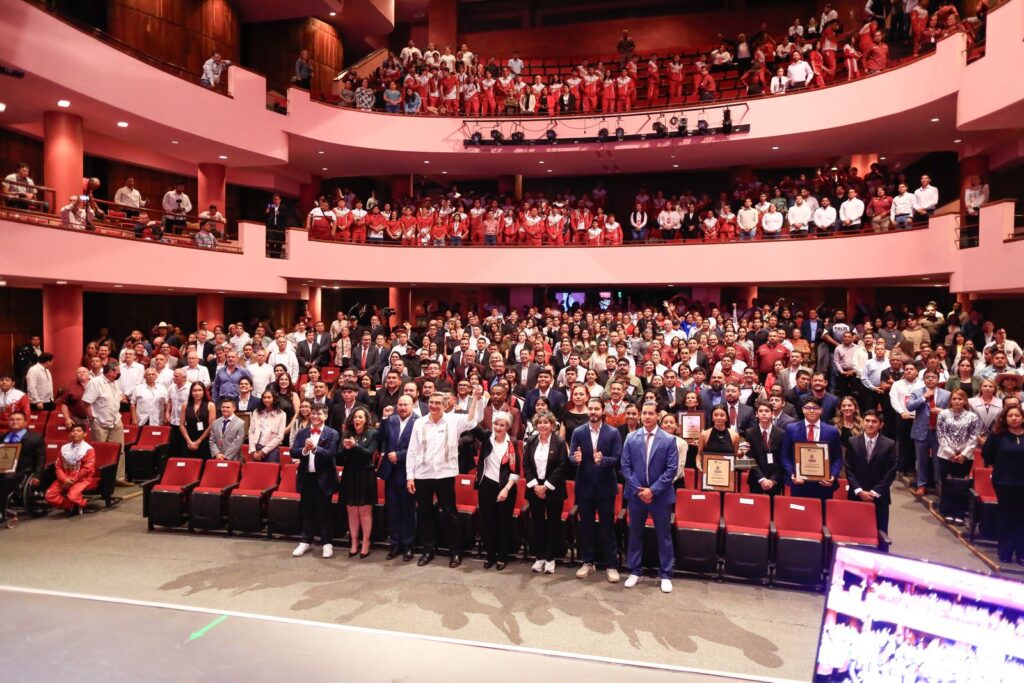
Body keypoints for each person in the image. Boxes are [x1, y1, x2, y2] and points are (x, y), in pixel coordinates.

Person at [406, 385, 485, 568]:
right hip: (423, 474)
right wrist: (410, 476)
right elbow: (412, 451)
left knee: (450, 514)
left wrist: (476, 398)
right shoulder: (419, 422)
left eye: (438, 403)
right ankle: (428, 550)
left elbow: (475, 419)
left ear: (446, 404)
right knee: (425, 513)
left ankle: (455, 552)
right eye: (431, 402)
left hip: (445, 474)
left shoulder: (454, 420)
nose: (433, 406)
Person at [621, 401, 678, 593]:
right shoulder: (630, 437)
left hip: (660, 497)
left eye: (650, 413)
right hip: (636, 496)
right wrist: (639, 490)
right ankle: (635, 571)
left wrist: (652, 491)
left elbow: (671, 470)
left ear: (657, 416)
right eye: (643, 413)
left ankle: (666, 574)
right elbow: (625, 467)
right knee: (635, 534)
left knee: (664, 536)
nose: (646, 416)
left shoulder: (669, 439)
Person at [570, 397, 623, 583]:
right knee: (586, 527)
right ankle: (588, 562)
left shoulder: (613, 433)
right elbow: (571, 456)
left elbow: (618, 458)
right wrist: (575, 459)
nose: (593, 412)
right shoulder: (578, 431)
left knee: (607, 528)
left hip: (605, 487)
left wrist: (604, 461)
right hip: (584, 487)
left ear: (603, 411)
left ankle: (611, 565)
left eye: (596, 409)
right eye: (590, 409)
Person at [469, 410, 520, 569]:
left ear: (508, 427)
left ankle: (502, 556)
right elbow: (470, 423)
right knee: (487, 522)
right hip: (486, 485)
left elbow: (516, 471)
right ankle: (490, 555)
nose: (498, 427)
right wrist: (476, 400)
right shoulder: (486, 439)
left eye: (502, 425)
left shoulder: (512, 443)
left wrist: (506, 489)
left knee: (504, 523)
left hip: (506, 487)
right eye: (496, 424)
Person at [290, 403, 340, 558]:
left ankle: (327, 542)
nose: (315, 416)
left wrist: (315, 449)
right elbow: (293, 450)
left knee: (324, 512)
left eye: (319, 414)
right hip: (306, 477)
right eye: (313, 413)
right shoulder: (303, 432)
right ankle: (306, 540)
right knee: (307, 511)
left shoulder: (332, 433)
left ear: (325, 416)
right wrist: (304, 450)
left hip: (324, 478)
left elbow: (332, 453)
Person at [523, 411, 568, 574]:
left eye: (546, 422)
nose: (543, 425)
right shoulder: (531, 441)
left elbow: (561, 466)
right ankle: (539, 557)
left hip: (553, 489)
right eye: (540, 422)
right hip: (535, 488)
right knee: (538, 524)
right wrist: (536, 485)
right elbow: (526, 464)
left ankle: (550, 558)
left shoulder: (560, 442)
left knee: (553, 524)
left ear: (552, 424)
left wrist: (546, 486)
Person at [981, 406, 1024, 564]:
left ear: (1022, 418)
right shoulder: (998, 436)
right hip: (1004, 482)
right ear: (1005, 419)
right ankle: (1005, 551)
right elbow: (987, 453)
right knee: (1006, 516)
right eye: (1010, 416)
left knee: (1022, 518)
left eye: (1017, 415)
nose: (1014, 418)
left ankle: (1021, 553)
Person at [781, 396, 843, 503]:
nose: (812, 410)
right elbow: (784, 456)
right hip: (799, 484)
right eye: (808, 408)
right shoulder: (791, 429)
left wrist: (832, 475)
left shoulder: (832, 431)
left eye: (815, 408)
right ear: (803, 410)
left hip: (823, 485)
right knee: (800, 515)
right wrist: (792, 473)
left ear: (821, 410)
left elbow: (838, 458)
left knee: (822, 517)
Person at [845, 410, 899, 532]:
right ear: (863, 422)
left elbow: (891, 472)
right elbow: (849, 469)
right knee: (855, 530)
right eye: (867, 421)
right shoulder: (852, 441)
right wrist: (859, 491)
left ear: (881, 424)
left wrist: (873, 493)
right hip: (857, 495)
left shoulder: (889, 444)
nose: (870, 424)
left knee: (879, 531)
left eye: (874, 421)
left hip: (879, 497)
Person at [379, 395, 418, 560]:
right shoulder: (391, 419)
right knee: (393, 510)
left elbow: (419, 448)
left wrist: (400, 455)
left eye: (405, 405)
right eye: (400, 405)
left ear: (412, 405)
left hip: (408, 473)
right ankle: (395, 544)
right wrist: (383, 419)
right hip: (391, 472)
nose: (402, 408)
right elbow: (381, 438)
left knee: (408, 511)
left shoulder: (419, 421)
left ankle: (408, 546)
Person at [935, 389, 980, 524]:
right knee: (948, 483)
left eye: (960, 399)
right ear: (951, 401)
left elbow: (973, 437)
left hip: (965, 457)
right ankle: (947, 510)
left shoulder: (972, 416)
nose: (957, 401)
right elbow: (941, 435)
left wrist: (964, 454)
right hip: (946, 455)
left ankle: (959, 512)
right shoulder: (943, 414)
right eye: (954, 399)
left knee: (961, 485)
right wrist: (951, 453)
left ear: (965, 401)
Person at [339, 406, 378, 558]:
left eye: (360, 417)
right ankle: (354, 542)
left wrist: (356, 446)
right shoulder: (347, 433)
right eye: (355, 417)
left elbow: (369, 454)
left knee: (365, 511)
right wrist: (345, 448)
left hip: (365, 474)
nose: (357, 420)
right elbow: (339, 454)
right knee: (352, 511)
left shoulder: (373, 434)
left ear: (366, 419)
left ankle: (366, 542)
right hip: (349, 474)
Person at [81, 363, 127, 483]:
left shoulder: (115, 383)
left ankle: (119, 478)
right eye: (117, 371)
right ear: (110, 372)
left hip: (116, 420)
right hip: (100, 422)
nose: (119, 373)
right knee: (100, 451)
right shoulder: (95, 383)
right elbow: (86, 403)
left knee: (120, 450)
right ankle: (99, 479)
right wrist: (92, 418)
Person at [907, 369, 950, 495]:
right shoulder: (917, 392)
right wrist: (923, 398)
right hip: (921, 431)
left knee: (939, 461)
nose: (931, 379)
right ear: (924, 380)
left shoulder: (946, 394)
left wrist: (942, 411)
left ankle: (938, 484)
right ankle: (921, 484)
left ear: (938, 379)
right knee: (921, 460)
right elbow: (909, 406)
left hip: (939, 432)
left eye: (933, 377)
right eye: (928, 377)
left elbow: (952, 412)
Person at [0, 411, 46, 523]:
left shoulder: (35, 438)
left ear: (25, 422)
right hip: (2, 468)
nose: (15, 422)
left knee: (6, 479)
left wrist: (37, 476)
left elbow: (41, 459)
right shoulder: (2, 437)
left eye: (18, 419)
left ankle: (1, 512)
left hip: (22, 472)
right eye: (12, 419)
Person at [45, 424, 97, 515]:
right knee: (49, 496)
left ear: (85, 434)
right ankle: (71, 506)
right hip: (65, 477)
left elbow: (87, 469)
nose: (75, 433)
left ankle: (82, 504)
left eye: (78, 431)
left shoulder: (88, 449)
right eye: (73, 431)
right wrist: (64, 479)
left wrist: (73, 480)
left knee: (73, 496)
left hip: (82, 479)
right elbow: (58, 466)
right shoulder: (64, 448)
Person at [744, 402, 786, 495]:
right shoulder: (750, 433)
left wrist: (773, 479)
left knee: (773, 507)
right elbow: (751, 458)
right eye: (761, 411)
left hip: (775, 480)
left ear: (772, 414)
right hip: (756, 478)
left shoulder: (781, 433)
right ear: (756, 414)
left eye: (767, 411)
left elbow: (782, 459)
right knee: (756, 508)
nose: (763, 413)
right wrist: (762, 479)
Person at [248, 390, 286, 462]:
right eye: (264, 398)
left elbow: (280, 436)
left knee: (270, 472)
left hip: (272, 449)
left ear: (274, 399)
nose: (266, 400)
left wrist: (263, 451)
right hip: (256, 448)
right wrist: (253, 450)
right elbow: (251, 432)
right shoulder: (256, 412)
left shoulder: (281, 414)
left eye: (269, 397)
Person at [181, 381, 215, 460]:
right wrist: (189, 441)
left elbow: (211, 426)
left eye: (200, 390)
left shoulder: (210, 405)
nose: (197, 393)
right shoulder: (185, 405)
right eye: (194, 390)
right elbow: (181, 425)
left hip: (204, 439)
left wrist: (198, 442)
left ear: (204, 391)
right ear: (191, 392)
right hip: (189, 438)